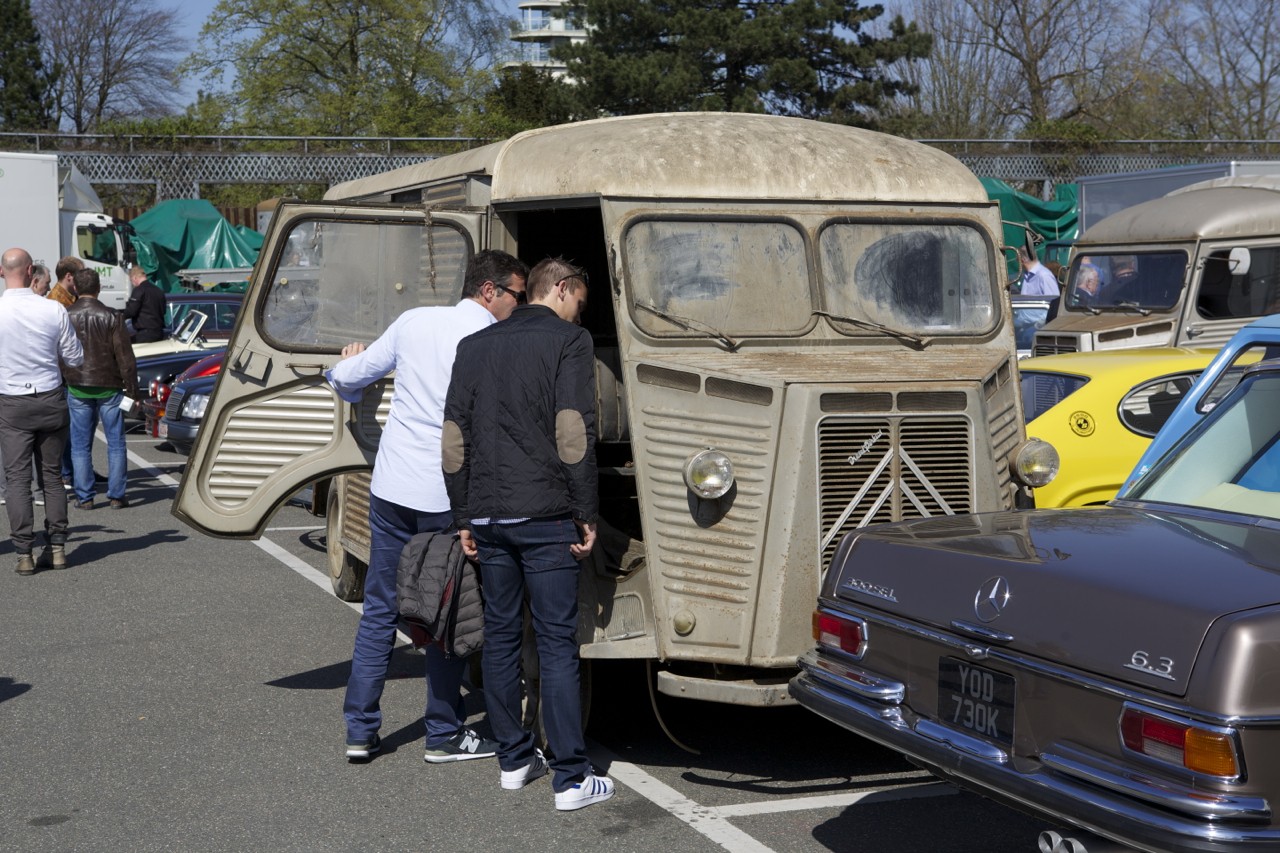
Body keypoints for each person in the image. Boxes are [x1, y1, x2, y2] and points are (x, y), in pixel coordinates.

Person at [326, 250, 530, 763]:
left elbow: (346, 379)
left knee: (379, 609)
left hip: (393, 489)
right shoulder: (496, 340)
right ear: (489, 291)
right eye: (517, 295)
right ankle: (443, 733)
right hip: (447, 498)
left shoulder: (413, 321)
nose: (519, 305)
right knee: (446, 613)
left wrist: (347, 362)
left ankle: (359, 731)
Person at [442, 257, 614, 812]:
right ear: (560, 289)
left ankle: (514, 760)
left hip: (489, 517)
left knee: (501, 636)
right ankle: (571, 779)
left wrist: (463, 515)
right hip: (546, 515)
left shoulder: (474, 346)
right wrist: (587, 511)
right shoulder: (569, 341)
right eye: (579, 302)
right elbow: (572, 430)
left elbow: (453, 438)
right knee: (557, 642)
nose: (579, 314)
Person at [0, 248, 84, 575]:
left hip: (12, 402)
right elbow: (75, 357)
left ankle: (24, 552)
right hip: (50, 397)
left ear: (2, 272)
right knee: (51, 475)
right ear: (31, 271)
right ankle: (58, 547)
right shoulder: (53, 309)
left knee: (17, 480)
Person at [64, 268, 137, 511]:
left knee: (80, 445)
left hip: (77, 385)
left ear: (75, 288)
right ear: (99, 288)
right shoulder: (112, 316)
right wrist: (132, 391)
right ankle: (116, 495)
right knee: (116, 442)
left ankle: (85, 496)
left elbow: (59, 353)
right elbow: (125, 357)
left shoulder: (66, 314)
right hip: (109, 385)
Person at [124, 265, 167, 343]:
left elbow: (131, 311)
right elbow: (163, 311)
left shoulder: (139, 290)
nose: (132, 284)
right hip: (159, 333)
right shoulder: (159, 291)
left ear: (135, 278)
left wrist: (119, 317)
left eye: (131, 281)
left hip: (145, 334)